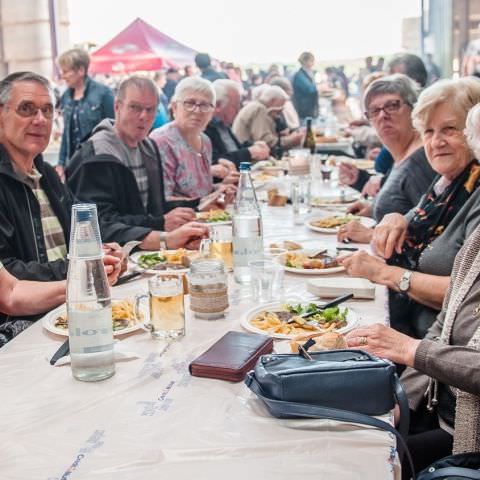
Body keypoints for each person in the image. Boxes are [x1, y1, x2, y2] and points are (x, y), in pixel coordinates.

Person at [339, 78, 480, 339]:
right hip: (410, 326)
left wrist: (384, 273)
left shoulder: (474, 189)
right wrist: (394, 217)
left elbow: (470, 297)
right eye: (428, 131)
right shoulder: (447, 182)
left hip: (438, 345)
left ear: (473, 131)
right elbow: (412, 219)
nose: (436, 142)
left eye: (449, 129)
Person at [346, 222, 480, 476]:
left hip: (467, 439)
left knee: (358, 461)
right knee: (342, 427)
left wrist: (411, 349)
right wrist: (401, 400)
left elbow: (421, 350)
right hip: (440, 404)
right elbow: (443, 328)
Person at [0, 71, 122, 341]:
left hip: (66, 311)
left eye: (47, 110)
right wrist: (82, 267)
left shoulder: (47, 174)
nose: (40, 120)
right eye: (27, 109)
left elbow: (86, 229)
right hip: (25, 330)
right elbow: (9, 278)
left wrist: (106, 250)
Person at [67, 76, 209, 250]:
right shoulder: (96, 154)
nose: (143, 116)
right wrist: (162, 226)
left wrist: (200, 204)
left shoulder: (149, 147)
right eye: (135, 107)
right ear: (117, 107)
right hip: (111, 262)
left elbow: (153, 208)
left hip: (144, 254)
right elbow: (98, 225)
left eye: (150, 110)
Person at [338, 74, 435, 229]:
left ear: (414, 108)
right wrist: (371, 208)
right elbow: (401, 203)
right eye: (374, 110)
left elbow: (432, 228)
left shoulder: (421, 160)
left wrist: (371, 235)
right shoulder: (401, 154)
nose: (382, 115)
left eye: (392, 106)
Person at [150, 77, 238, 201]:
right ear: (175, 107)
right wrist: (211, 198)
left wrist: (221, 188)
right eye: (190, 103)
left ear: (212, 112)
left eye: (205, 105)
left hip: (205, 216)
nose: (197, 111)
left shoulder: (205, 141)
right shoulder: (162, 141)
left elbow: (200, 191)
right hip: (181, 219)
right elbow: (164, 200)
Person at [56, 48, 115, 177]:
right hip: (73, 165)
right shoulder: (66, 96)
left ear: (81, 70)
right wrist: (61, 163)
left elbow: (113, 131)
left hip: (98, 163)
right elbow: (67, 133)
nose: (63, 75)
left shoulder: (104, 93)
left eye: (66, 71)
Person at [204, 79, 270, 168]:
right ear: (218, 105)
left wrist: (253, 146)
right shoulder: (204, 127)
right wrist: (249, 152)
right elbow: (215, 161)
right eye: (235, 106)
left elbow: (234, 149)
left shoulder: (224, 124)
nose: (238, 111)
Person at [232, 85, 304, 150]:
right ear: (272, 100)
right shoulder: (260, 109)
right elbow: (265, 141)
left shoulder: (256, 106)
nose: (281, 109)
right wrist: (292, 139)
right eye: (281, 104)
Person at [292, 51, 319, 122]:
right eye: (311, 61)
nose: (313, 63)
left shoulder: (307, 73)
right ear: (305, 61)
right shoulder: (299, 75)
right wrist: (320, 87)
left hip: (309, 109)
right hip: (304, 110)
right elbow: (310, 89)